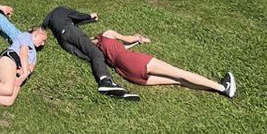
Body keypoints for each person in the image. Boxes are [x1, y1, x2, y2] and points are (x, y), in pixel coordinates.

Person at [95, 30, 237, 97]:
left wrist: (133, 43)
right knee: (179, 73)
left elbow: (120, 49)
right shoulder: (108, 33)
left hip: (126, 72)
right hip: (133, 60)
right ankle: (223, 87)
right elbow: (129, 39)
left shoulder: (98, 50)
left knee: (178, 81)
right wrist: (138, 38)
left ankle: (216, 89)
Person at [43, 6, 138, 100]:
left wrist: (91, 20)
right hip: (70, 31)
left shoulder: (51, 16)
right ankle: (106, 81)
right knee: (96, 53)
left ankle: (111, 90)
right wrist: (90, 16)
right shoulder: (62, 9)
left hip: (63, 41)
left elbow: (45, 25)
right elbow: (77, 15)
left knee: (90, 57)